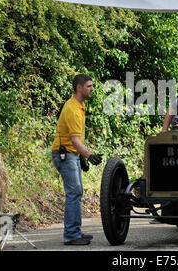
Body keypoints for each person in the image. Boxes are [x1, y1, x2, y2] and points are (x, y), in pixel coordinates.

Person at [51, 74, 103, 245]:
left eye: (92, 85)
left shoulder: (80, 105)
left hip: (71, 154)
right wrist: (89, 156)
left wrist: (80, 157)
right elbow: (74, 140)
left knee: (77, 192)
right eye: (89, 86)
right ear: (79, 88)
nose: (92, 89)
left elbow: (75, 139)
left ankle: (76, 232)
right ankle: (72, 235)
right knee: (74, 193)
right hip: (64, 155)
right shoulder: (73, 109)